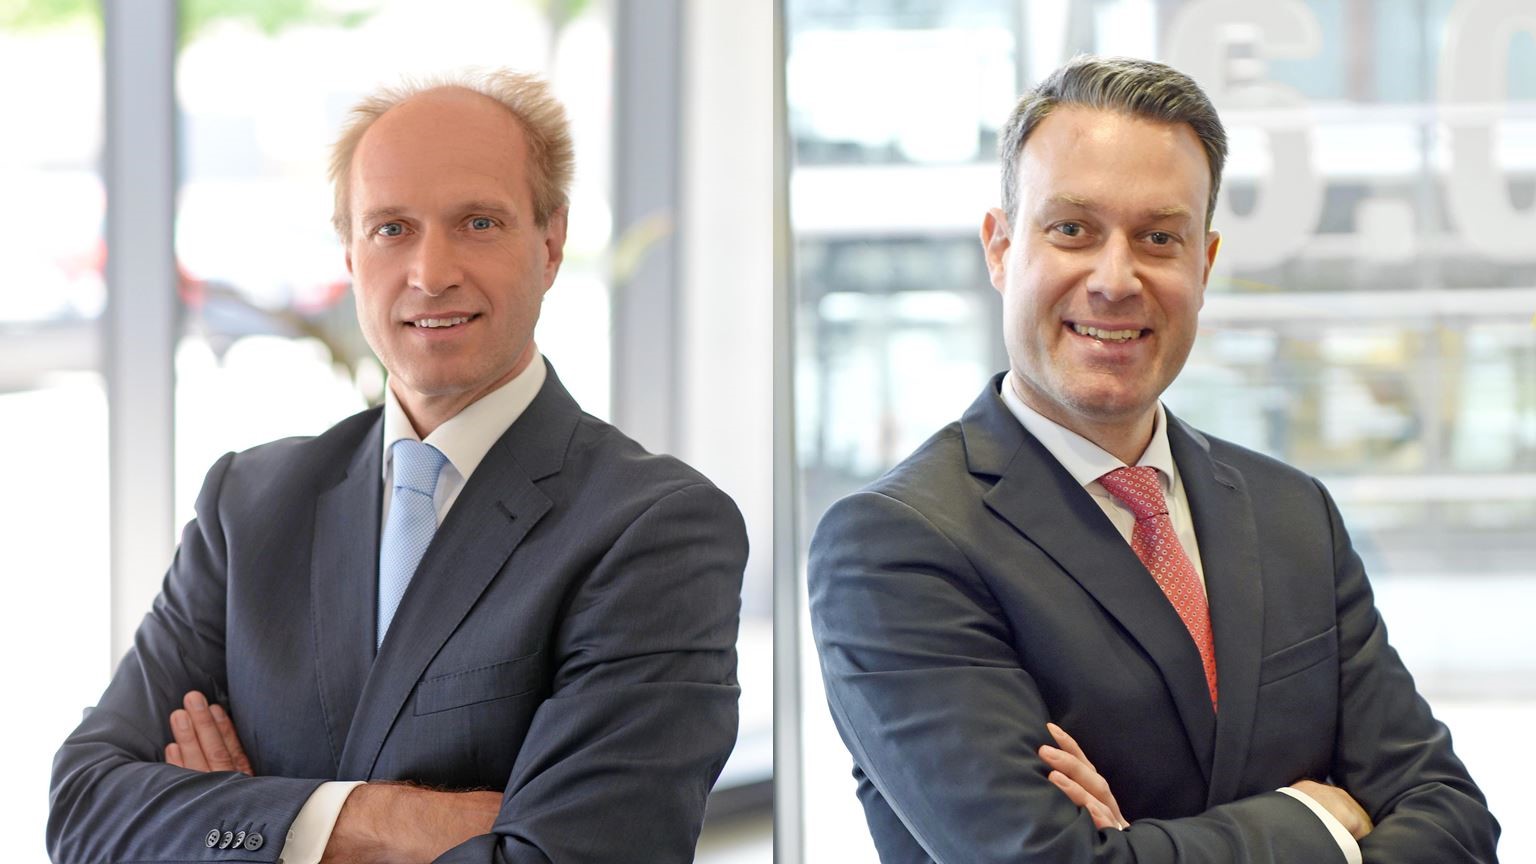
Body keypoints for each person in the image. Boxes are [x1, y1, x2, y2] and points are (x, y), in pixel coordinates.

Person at [808, 55, 1498, 863]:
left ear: (1202, 265)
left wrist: (1143, 848)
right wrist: (1314, 825)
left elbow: (1452, 816)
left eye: (1157, 238)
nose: (1114, 278)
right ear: (1000, 249)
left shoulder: (1291, 513)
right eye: (1072, 229)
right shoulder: (896, 547)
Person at [48, 69, 747, 864]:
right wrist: (382, 822)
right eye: (391, 229)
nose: (431, 272)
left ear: (550, 243)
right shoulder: (247, 506)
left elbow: (578, 856)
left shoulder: (655, 528)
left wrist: (242, 821)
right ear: (349, 251)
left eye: (478, 222)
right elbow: (85, 812)